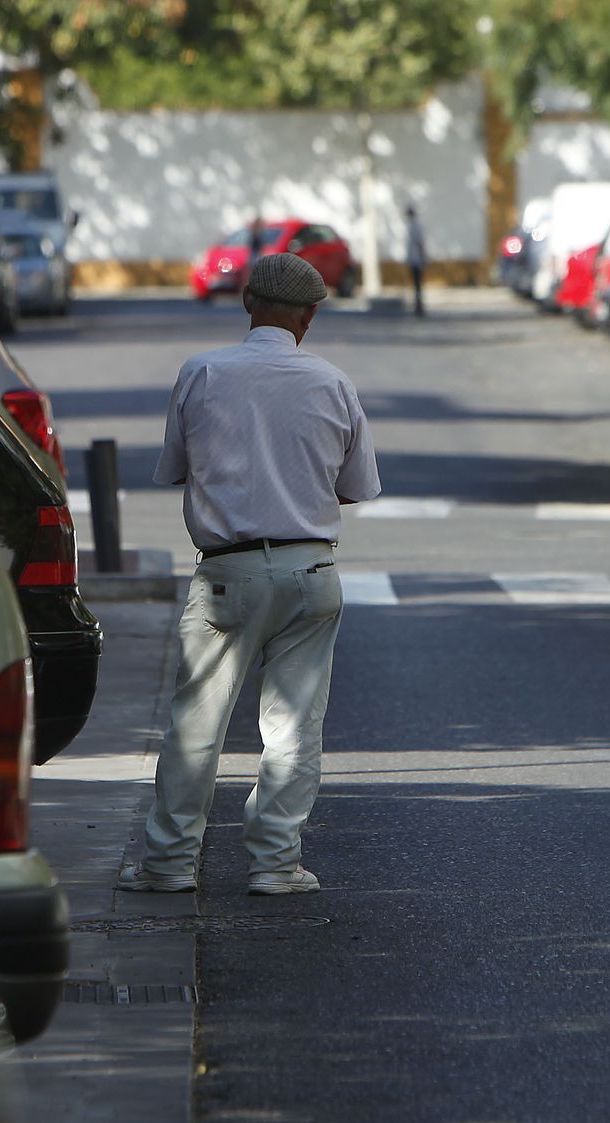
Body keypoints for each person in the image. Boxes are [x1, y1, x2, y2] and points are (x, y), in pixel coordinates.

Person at [119, 252, 381, 896]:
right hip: (310, 569)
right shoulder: (333, 382)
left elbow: (176, 466)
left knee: (196, 725)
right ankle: (274, 864)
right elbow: (355, 487)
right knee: (294, 727)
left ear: (246, 302)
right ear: (310, 316)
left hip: (227, 575)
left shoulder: (203, 372)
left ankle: (170, 864)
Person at [404, 204, 426, 316]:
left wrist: (423, 257)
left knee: (418, 283)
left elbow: (420, 242)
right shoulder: (412, 225)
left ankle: (419, 305)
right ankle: (418, 304)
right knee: (416, 283)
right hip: (414, 258)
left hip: (417, 259)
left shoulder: (416, 225)